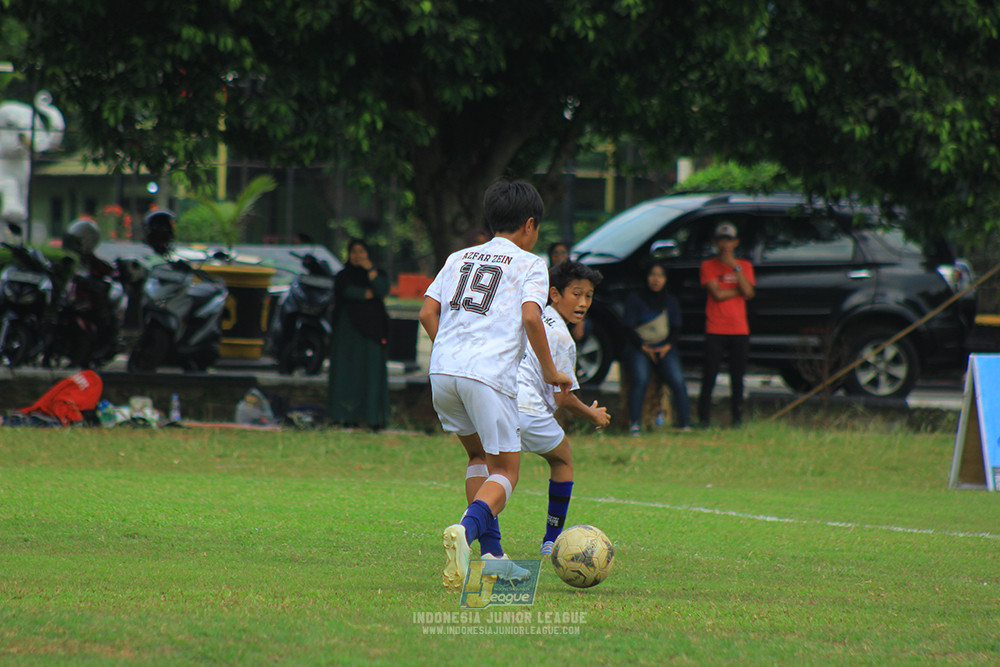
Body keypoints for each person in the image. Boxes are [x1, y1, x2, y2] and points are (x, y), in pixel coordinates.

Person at [419, 179, 572, 589]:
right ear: (529, 224)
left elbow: (427, 313)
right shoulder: (530, 264)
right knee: (506, 469)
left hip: (443, 372)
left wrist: (449, 352)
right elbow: (531, 317)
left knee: (478, 457)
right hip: (487, 376)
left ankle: (493, 557)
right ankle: (465, 531)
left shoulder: (458, 257)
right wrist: (550, 371)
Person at [516, 260, 610, 555]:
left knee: (496, 470)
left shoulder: (533, 316)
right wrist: (593, 414)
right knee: (562, 459)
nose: (583, 303)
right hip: (526, 408)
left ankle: (471, 529)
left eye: (589, 296)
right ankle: (551, 540)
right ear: (555, 294)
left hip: (497, 400)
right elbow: (563, 398)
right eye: (576, 294)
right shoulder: (561, 337)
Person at [327, 238, 390, 430]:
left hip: (372, 332)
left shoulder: (377, 273)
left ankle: (373, 418)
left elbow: (381, 289)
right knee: (346, 373)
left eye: (362, 252)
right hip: (347, 332)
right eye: (354, 252)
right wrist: (365, 294)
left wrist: (371, 271)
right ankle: (345, 416)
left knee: (371, 373)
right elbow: (346, 292)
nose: (358, 256)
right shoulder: (343, 275)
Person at [622, 261, 691, 435]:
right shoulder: (635, 299)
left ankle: (684, 423)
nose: (656, 279)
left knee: (678, 380)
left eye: (660, 276)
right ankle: (634, 423)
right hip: (640, 347)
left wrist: (666, 347)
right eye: (652, 275)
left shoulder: (670, 301)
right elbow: (628, 328)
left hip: (665, 347)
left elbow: (676, 328)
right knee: (640, 379)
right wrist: (645, 348)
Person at [698, 222, 755, 427]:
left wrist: (735, 267)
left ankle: (737, 419)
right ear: (715, 242)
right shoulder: (708, 266)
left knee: (737, 377)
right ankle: (704, 419)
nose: (725, 245)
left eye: (729, 240)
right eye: (721, 240)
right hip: (716, 327)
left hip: (739, 328)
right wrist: (738, 291)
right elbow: (717, 294)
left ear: (735, 242)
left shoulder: (744, 265)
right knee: (710, 375)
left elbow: (749, 292)